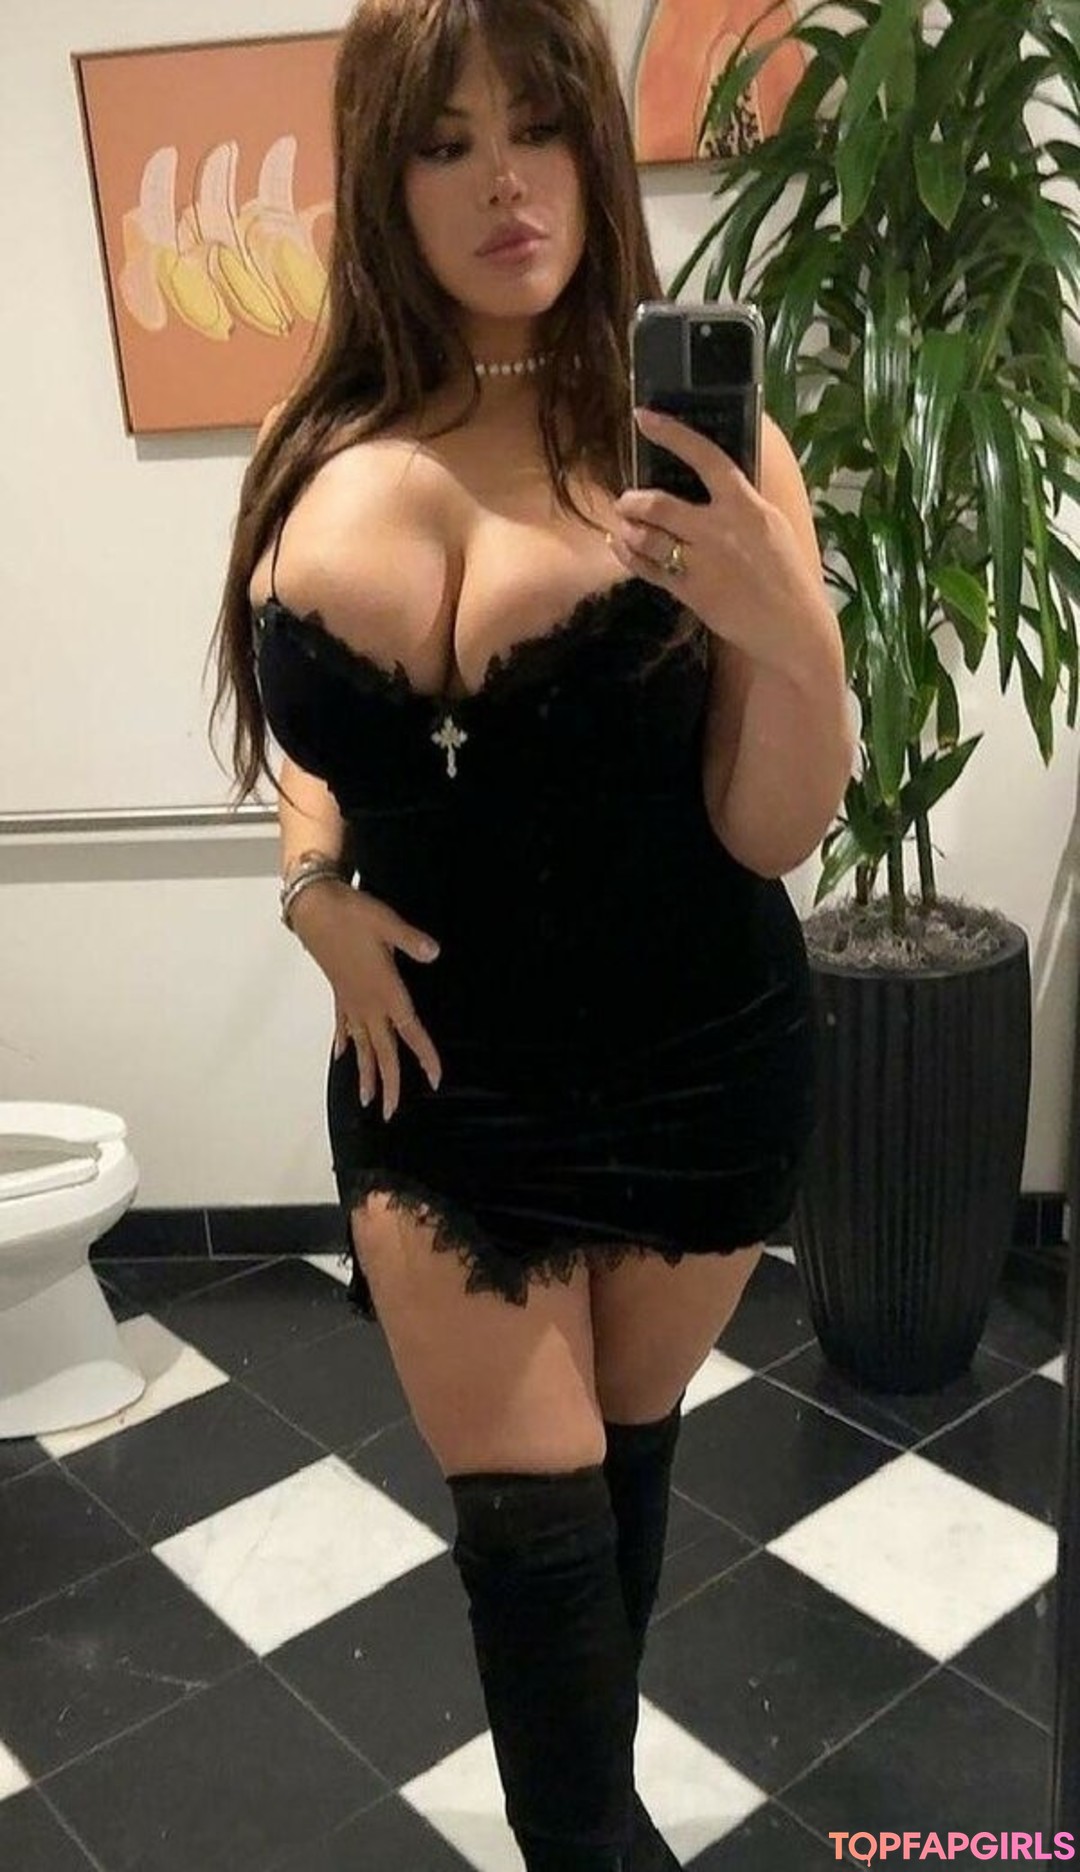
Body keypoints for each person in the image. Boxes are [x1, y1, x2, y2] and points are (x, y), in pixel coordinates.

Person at [209, 2, 852, 1865]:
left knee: (610, 1506)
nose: (504, 180)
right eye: (446, 140)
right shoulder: (313, 441)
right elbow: (312, 740)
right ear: (382, 174)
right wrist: (313, 894)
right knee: (532, 1547)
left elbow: (769, 827)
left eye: (539, 125)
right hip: (439, 1092)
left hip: (693, 1065)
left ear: (592, 145)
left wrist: (790, 629)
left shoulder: (704, 454)